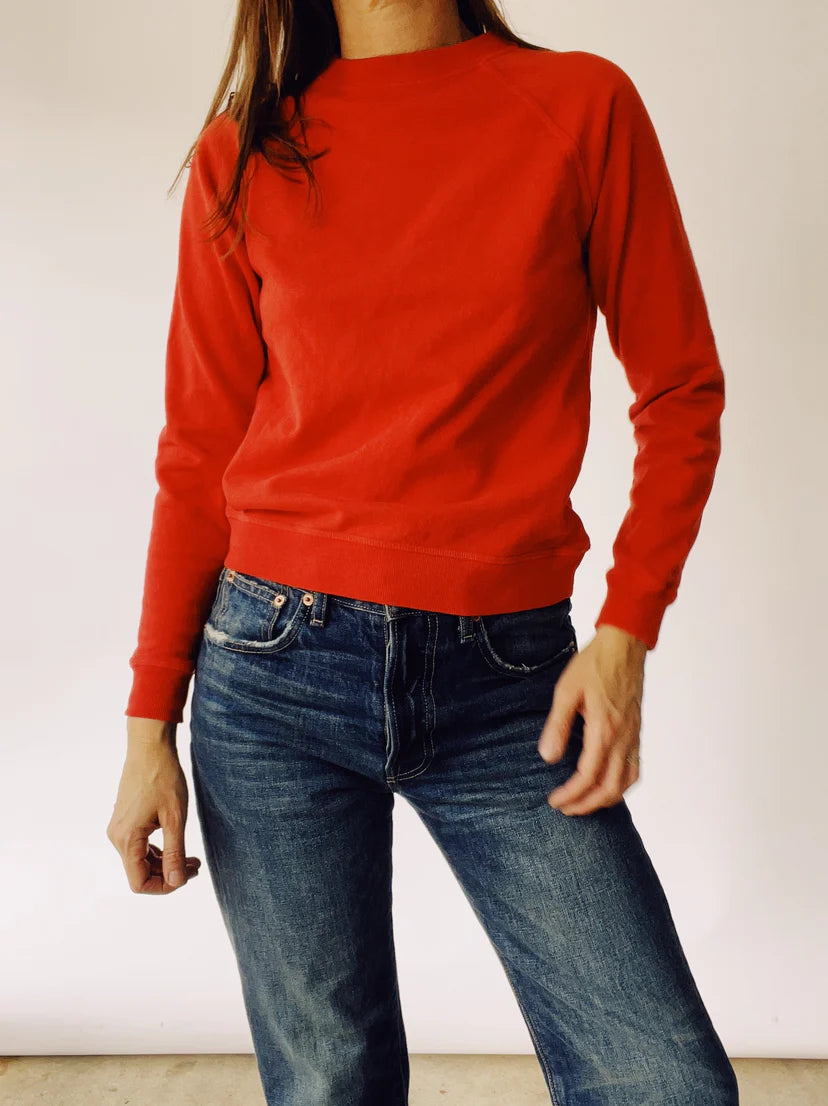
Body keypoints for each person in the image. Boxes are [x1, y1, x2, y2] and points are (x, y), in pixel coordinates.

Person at [107, 1, 739, 1103]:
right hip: (269, 677)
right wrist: (147, 724)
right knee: (330, 1084)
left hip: (508, 685)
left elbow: (681, 390)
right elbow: (197, 458)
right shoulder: (244, 153)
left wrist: (628, 630)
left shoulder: (580, 107)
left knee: (663, 1081)